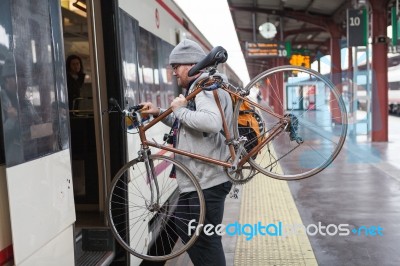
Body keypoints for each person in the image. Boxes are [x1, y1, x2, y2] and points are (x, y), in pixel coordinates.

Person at [140, 39, 233, 266]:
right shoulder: (198, 88)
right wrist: (160, 112)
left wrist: (179, 109)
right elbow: (189, 125)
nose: (173, 73)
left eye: (176, 67)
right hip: (200, 179)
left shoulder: (204, 87)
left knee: (207, 241)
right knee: (184, 224)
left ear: (192, 65)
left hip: (207, 180)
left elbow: (210, 122)